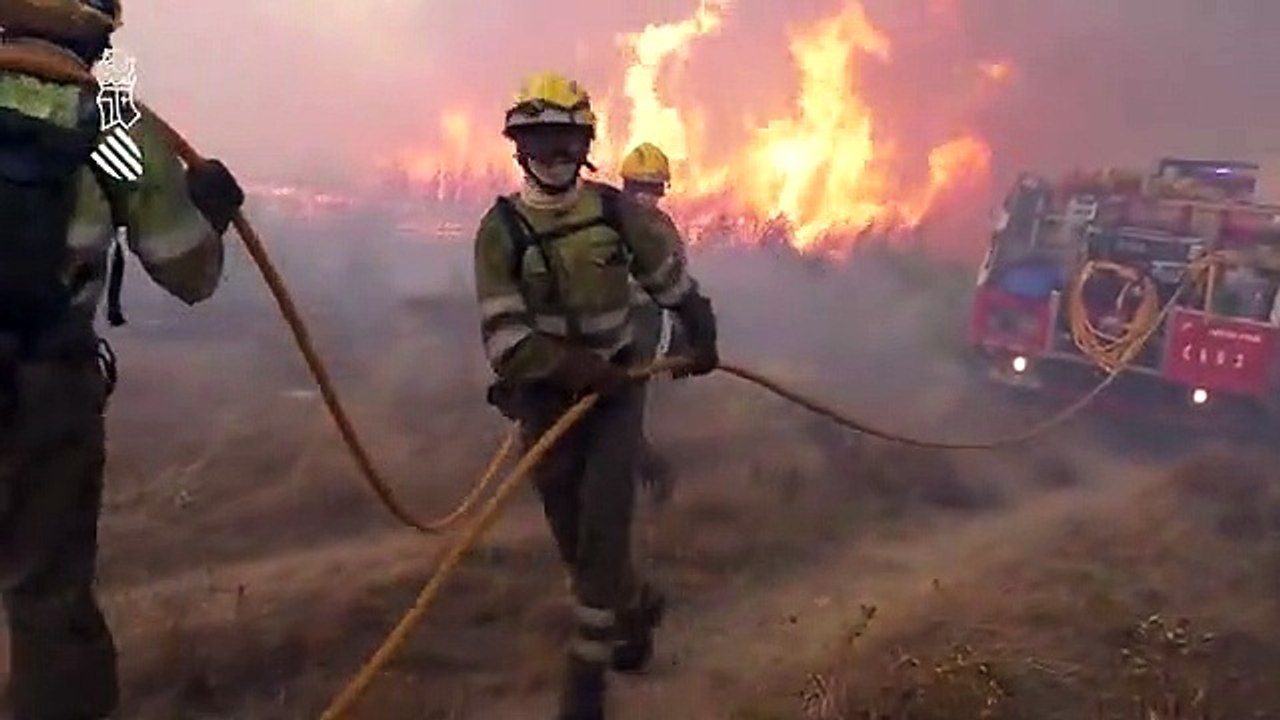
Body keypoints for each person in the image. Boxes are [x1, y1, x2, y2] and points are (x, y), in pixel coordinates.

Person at [0, 2, 245, 717]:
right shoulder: (109, 126)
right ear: (97, 31)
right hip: (43, 393)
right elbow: (188, 270)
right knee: (46, 599)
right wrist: (208, 213)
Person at [474, 72, 719, 719]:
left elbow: (668, 281)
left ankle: (585, 683)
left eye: (565, 142)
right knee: (573, 538)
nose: (553, 156)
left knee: (605, 525)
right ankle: (633, 608)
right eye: (539, 142)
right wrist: (570, 367)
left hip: (616, 396)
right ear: (518, 147)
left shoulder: (615, 214)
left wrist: (699, 327)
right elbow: (505, 340)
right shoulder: (500, 232)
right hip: (545, 402)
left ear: (585, 146)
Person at [619, 142, 686, 504]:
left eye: (654, 188)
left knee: (623, 414)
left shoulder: (663, 231)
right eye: (639, 188)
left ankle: (653, 473)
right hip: (597, 325)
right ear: (626, 186)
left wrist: (680, 334)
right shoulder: (604, 222)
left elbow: (676, 287)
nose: (646, 196)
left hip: (642, 328)